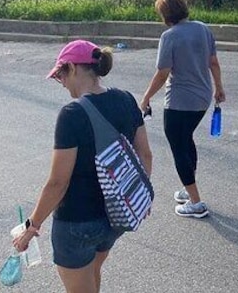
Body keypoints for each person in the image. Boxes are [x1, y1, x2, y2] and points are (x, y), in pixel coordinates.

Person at [13, 39, 153, 293]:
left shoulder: (72, 114)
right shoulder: (127, 100)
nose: (62, 82)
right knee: (92, 274)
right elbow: (145, 155)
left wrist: (31, 226)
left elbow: (58, 182)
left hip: (77, 224)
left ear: (73, 68)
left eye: (61, 74)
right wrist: (140, 197)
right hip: (114, 219)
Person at [140, 0, 225, 219]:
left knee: (179, 147)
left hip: (180, 101)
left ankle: (196, 202)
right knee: (186, 141)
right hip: (202, 98)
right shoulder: (203, 28)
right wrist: (219, 88)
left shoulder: (170, 36)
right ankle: (190, 189)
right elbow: (213, 62)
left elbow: (162, 73)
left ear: (165, 15)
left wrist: (146, 97)